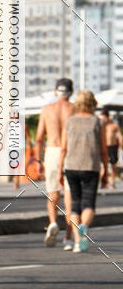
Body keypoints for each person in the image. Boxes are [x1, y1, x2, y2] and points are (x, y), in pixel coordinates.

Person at [58, 90, 108, 253]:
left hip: (71, 167)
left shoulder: (70, 121)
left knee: (75, 205)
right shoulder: (97, 122)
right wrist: (106, 170)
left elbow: (63, 148)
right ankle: (84, 226)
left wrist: (59, 170)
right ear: (92, 102)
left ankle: (78, 242)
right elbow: (103, 150)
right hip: (90, 167)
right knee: (89, 204)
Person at [35, 78, 75, 250]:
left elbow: (38, 139)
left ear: (55, 91)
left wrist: (38, 161)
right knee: (70, 196)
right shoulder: (75, 109)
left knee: (52, 194)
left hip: (51, 151)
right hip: (70, 152)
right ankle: (67, 238)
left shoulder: (46, 110)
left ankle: (52, 222)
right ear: (71, 92)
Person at [101, 110, 122, 188]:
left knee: (113, 166)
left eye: (104, 118)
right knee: (103, 166)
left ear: (107, 116)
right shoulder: (101, 126)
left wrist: (121, 145)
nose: (103, 120)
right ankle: (104, 182)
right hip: (104, 147)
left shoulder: (114, 125)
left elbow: (120, 135)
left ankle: (112, 183)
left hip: (112, 147)